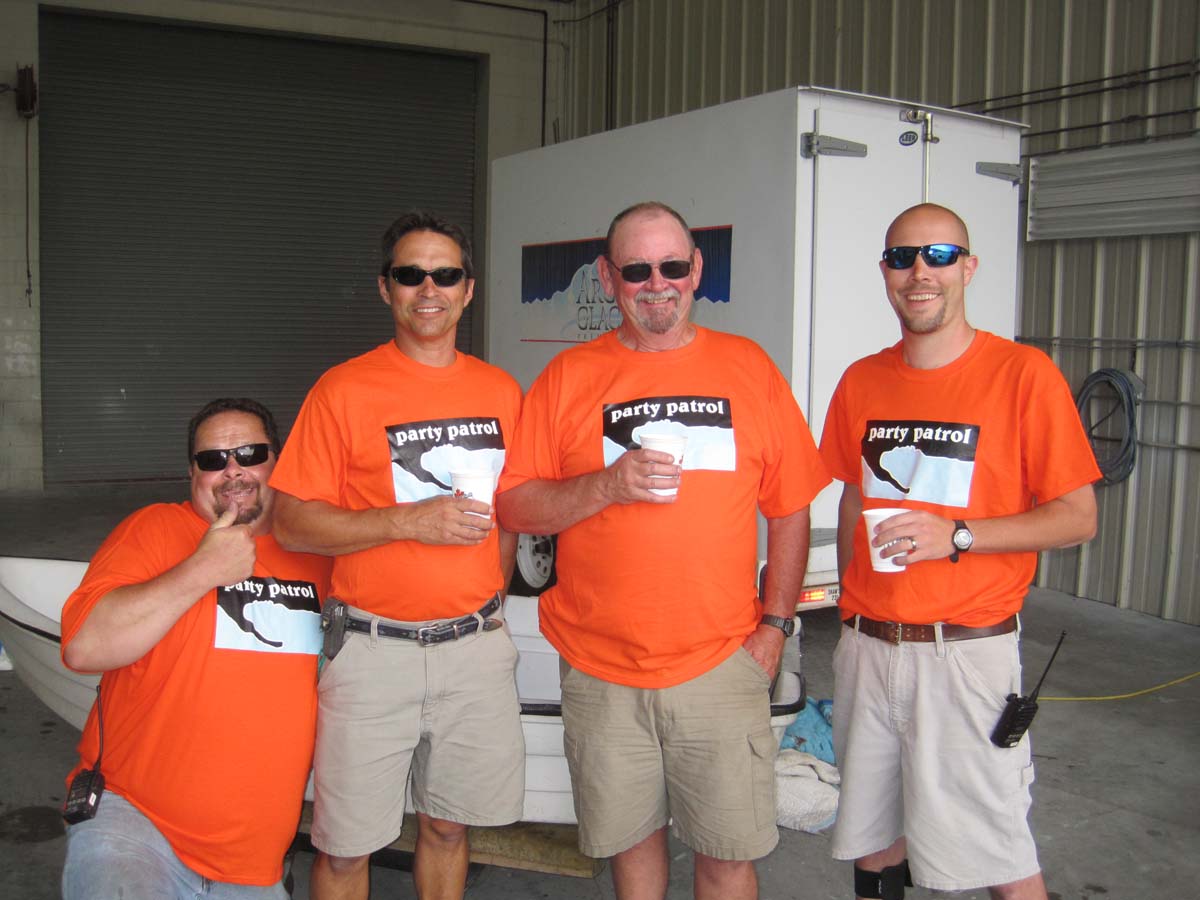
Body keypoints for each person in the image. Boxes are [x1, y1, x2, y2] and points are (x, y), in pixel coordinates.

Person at [496, 200, 830, 900]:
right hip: (601, 670)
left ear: (696, 270)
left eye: (672, 266)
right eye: (637, 269)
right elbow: (516, 505)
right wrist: (607, 484)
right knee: (632, 849)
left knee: (727, 857)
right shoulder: (568, 377)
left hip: (721, 662)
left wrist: (776, 627)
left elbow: (791, 507)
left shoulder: (747, 367)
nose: (657, 284)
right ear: (607, 277)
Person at [819, 203, 1100, 900]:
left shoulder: (1022, 374)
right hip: (869, 650)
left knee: (997, 851)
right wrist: (852, 604)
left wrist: (958, 536)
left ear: (968, 268)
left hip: (966, 656)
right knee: (874, 841)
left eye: (939, 255)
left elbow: (1078, 518)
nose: (920, 272)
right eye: (903, 257)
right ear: (885, 272)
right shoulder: (862, 380)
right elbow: (853, 496)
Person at [269, 211, 525, 900]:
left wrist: (490, 602)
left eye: (445, 275)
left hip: (473, 651)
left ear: (468, 289)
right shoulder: (343, 389)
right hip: (373, 652)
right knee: (345, 848)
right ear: (386, 288)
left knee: (448, 829)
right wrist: (409, 521)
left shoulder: (501, 391)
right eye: (411, 275)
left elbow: (510, 514)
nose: (428, 289)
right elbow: (290, 523)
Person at [60, 397, 332, 900]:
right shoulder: (155, 529)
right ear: (193, 473)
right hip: (136, 824)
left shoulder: (318, 553)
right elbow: (84, 646)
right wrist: (201, 570)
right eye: (212, 460)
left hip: (253, 861)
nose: (233, 471)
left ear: (279, 462)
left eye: (250, 454)